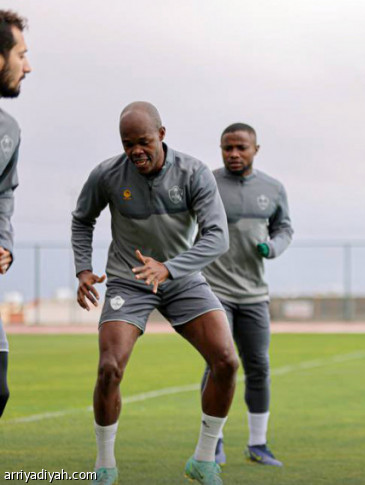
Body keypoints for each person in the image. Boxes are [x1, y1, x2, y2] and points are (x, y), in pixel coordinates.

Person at [72, 102, 236, 485]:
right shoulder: (107, 175)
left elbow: (217, 237)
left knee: (227, 361)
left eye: (143, 141)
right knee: (109, 367)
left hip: (182, 280)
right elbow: (82, 219)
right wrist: (83, 269)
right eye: (127, 144)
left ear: (162, 134)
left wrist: (170, 267)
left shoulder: (194, 172)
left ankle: (204, 460)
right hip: (128, 281)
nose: (136, 151)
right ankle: (105, 465)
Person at [200, 122, 293, 466]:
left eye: (241, 147)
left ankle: (258, 444)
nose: (234, 154)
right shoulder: (207, 183)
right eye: (228, 148)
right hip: (215, 291)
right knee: (218, 363)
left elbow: (285, 228)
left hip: (254, 294)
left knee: (258, 366)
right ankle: (213, 443)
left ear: (256, 149)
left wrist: (273, 246)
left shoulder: (273, 188)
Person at [0, 8, 30, 420]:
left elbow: (4, 193)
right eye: (21, 55)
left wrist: (3, 242)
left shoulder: (9, 130)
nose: (28, 66)